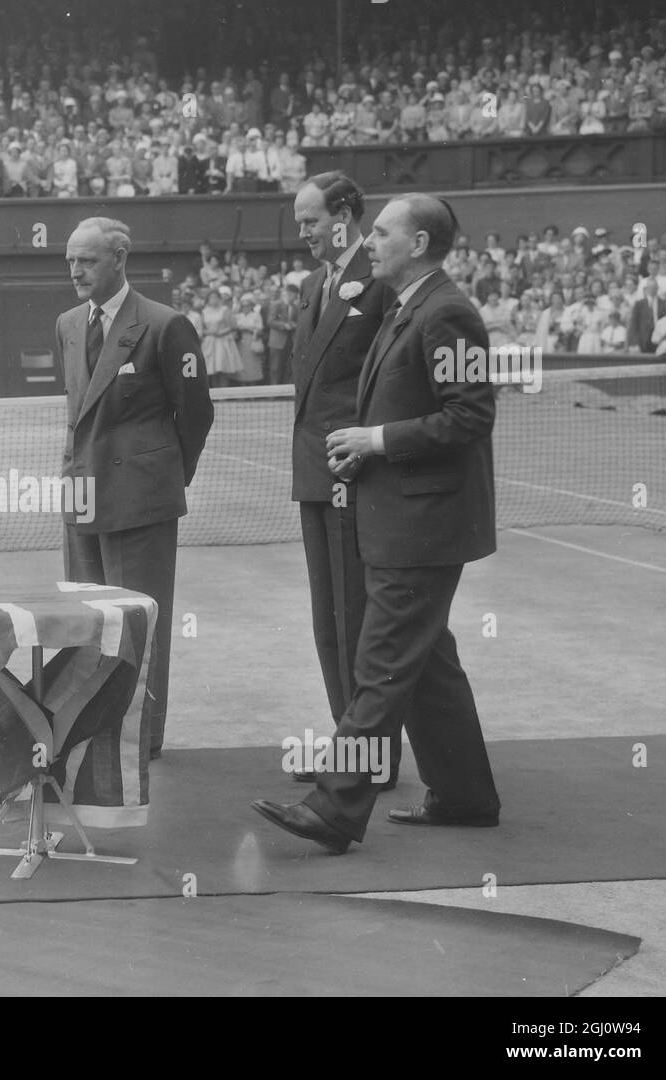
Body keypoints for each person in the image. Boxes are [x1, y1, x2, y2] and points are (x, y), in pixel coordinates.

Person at [253, 193, 501, 853]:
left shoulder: (446, 312)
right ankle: (467, 796)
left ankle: (336, 809)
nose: (374, 242)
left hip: (423, 525)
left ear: (418, 243)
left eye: (385, 233)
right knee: (427, 664)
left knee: (383, 663)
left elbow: (470, 415)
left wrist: (377, 440)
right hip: (404, 518)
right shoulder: (411, 307)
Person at [58, 217, 214, 759]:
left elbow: (196, 413)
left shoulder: (166, 325)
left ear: (120, 257)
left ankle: (137, 740)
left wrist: (162, 476)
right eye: (71, 260)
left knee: (138, 628)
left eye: (88, 261)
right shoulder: (69, 324)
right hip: (82, 497)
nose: (75, 271)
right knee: (87, 622)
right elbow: (77, 414)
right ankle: (91, 734)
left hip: (139, 501)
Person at [287, 172, 401, 790]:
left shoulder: (381, 285)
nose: (302, 232)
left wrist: (369, 449)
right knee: (327, 618)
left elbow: (392, 378)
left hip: (354, 470)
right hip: (312, 471)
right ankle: (347, 744)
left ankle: (374, 756)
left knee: (358, 618)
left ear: (346, 214)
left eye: (311, 220)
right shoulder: (312, 285)